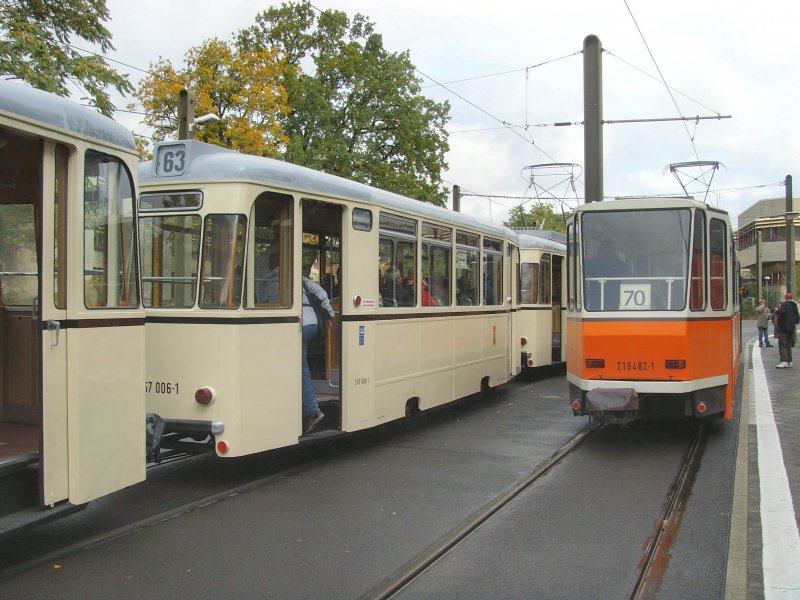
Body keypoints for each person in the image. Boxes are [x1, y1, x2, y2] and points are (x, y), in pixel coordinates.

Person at [301, 275, 335, 432]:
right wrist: (329, 315)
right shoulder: (300, 278)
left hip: (302, 323)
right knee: (301, 363)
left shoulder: (266, 277)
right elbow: (321, 294)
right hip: (311, 322)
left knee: (300, 365)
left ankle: (311, 410)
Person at [773, 292, 800, 368]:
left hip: (784, 328)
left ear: (785, 298)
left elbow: (780, 312)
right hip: (791, 329)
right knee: (788, 345)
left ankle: (784, 361)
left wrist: (777, 310)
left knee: (782, 344)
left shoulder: (785, 304)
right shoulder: (794, 305)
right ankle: (790, 361)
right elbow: (797, 319)